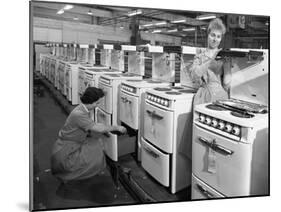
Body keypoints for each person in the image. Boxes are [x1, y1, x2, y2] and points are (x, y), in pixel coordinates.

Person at [51, 87, 127, 183]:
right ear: (91, 102)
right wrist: (116, 127)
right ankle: (69, 175)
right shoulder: (79, 114)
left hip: (68, 144)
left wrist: (106, 127)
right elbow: (98, 128)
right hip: (67, 149)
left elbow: (94, 125)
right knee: (96, 150)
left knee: (94, 144)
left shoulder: (81, 108)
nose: (97, 105)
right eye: (97, 103)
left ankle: (68, 174)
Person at [189, 18, 232, 106]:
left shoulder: (223, 57)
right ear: (208, 35)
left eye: (218, 36)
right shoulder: (199, 56)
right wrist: (211, 59)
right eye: (213, 35)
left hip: (220, 97)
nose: (215, 39)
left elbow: (226, 83)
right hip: (203, 97)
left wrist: (228, 65)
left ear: (221, 39)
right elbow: (194, 76)